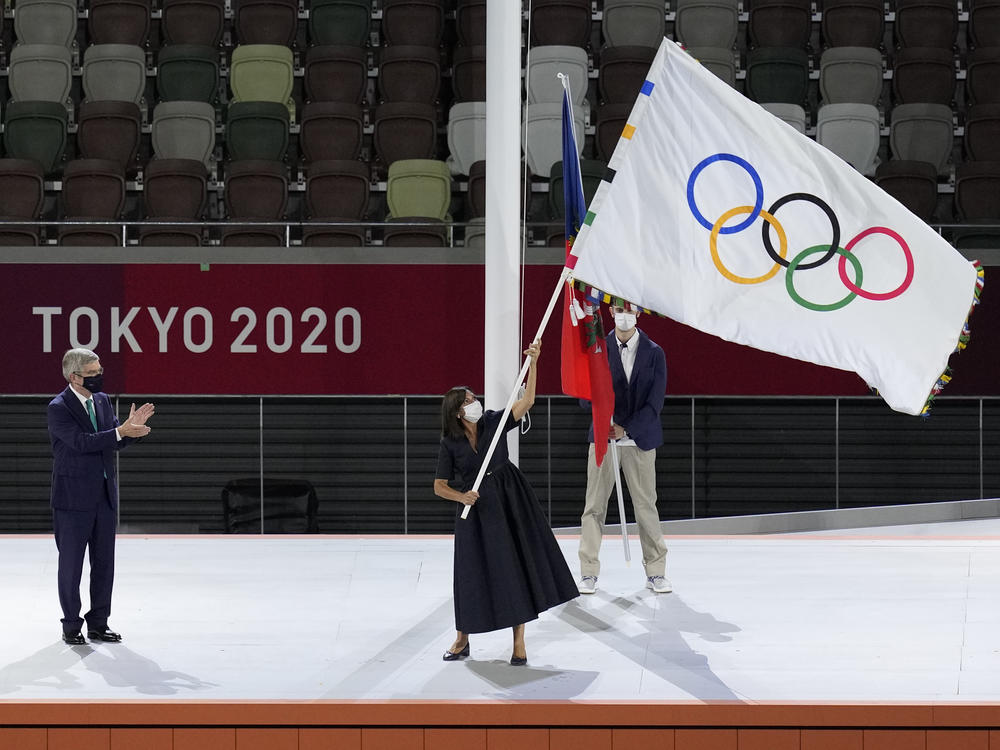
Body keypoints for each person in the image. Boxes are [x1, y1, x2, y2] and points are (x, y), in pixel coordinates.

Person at [433, 340, 578, 665]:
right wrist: (462, 495)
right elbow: (439, 486)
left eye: (473, 398)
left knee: (514, 567)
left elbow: (527, 401)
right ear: (458, 411)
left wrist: (535, 361)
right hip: (474, 511)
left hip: (508, 501)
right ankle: (462, 639)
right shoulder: (450, 444)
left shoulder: (494, 422)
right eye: (468, 401)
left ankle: (519, 644)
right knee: (469, 573)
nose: (475, 402)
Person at [48, 348, 155, 645]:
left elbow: (112, 442)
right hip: (72, 499)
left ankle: (99, 622)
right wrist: (120, 432)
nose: (99, 377)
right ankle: (71, 625)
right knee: (71, 564)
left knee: (104, 562)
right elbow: (82, 443)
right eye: (92, 374)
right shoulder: (59, 407)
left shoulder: (103, 401)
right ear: (74, 376)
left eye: (99, 371)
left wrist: (130, 432)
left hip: (105, 496)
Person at [578, 302, 670, 595]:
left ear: (639, 313)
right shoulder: (597, 350)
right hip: (603, 440)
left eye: (629, 310)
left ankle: (656, 572)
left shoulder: (654, 353)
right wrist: (605, 421)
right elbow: (585, 397)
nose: (624, 315)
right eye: (619, 309)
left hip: (639, 440)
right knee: (594, 507)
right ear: (611, 312)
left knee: (646, 507)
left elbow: (654, 403)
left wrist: (626, 428)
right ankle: (588, 572)